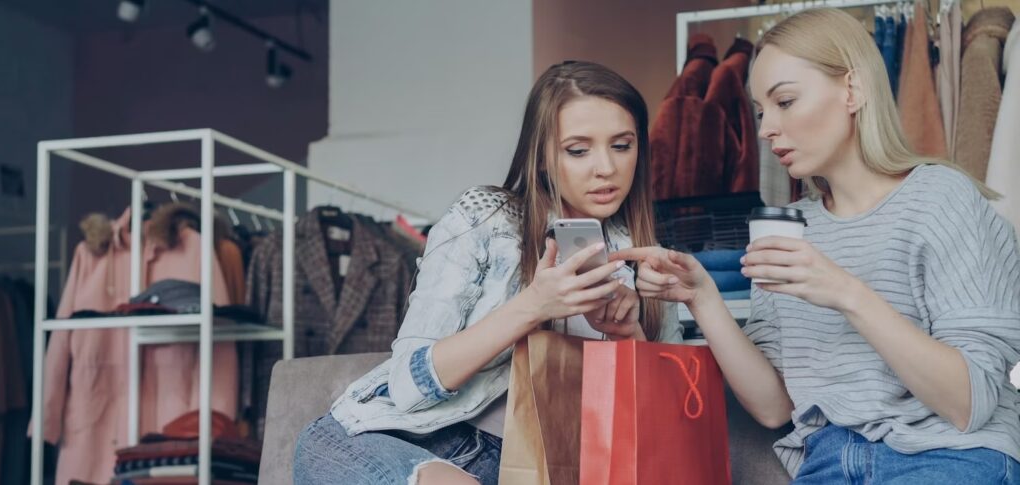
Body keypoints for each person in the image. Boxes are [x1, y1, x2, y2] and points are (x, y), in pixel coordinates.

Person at [615, 8, 1020, 484]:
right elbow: (773, 409)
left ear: (853, 90)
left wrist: (845, 291)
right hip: (827, 460)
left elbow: (968, 403)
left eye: (785, 101)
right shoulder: (791, 228)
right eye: (761, 111)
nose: (766, 129)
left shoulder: (941, 198)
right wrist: (701, 296)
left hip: (948, 455)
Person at [292, 60, 684, 485]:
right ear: (541, 159)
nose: (605, 167)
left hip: (539, 466)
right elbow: (407, 384)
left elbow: (671, 430)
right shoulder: (484, 222)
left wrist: (630, 336)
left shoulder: (647, 263)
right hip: (411, 441)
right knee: (321, 446)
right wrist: (533, 306)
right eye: (578, 150)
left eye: (622, 146)